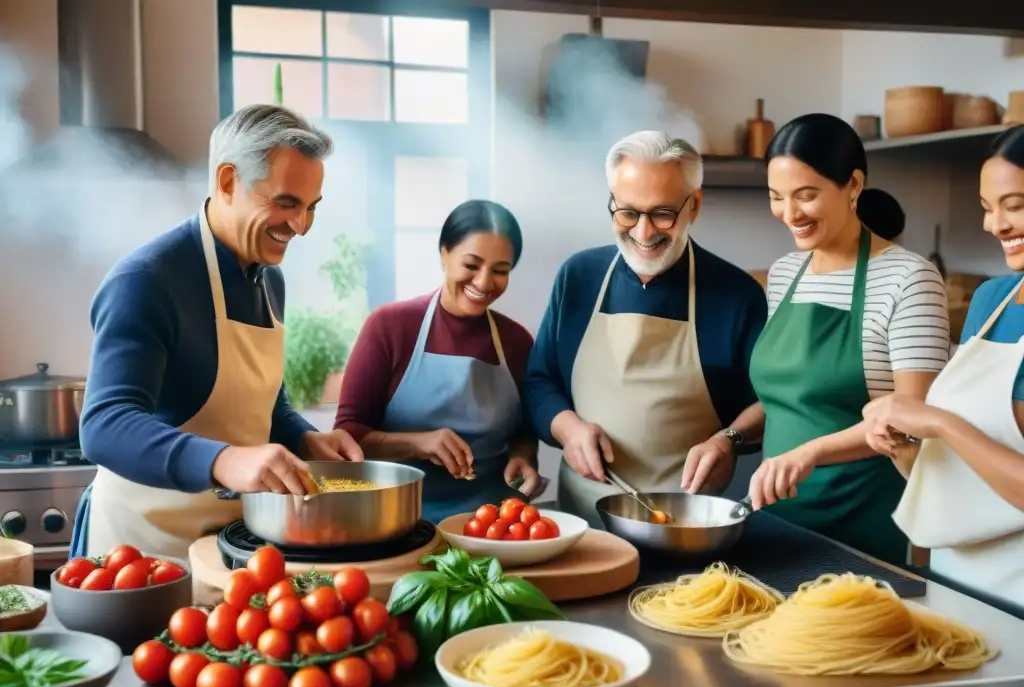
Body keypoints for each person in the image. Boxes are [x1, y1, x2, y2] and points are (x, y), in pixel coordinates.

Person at [71, 104, 363, 560]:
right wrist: (225, 460)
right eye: (286, 203)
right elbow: (104, 425)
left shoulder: (268, 280)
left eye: (310, 208)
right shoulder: (146, 280)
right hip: (142, 553)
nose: (300, 226)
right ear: (228, 182)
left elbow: (263, 405)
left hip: (230, 544)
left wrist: (306, 438)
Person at [687, 113, 950, 566]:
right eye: (776, 197)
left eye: (806, 195)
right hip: (777, 518)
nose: (790, 214)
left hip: (865, 525)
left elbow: (911, 418)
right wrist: (727, 438)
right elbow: (786, 397)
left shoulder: (910, 278)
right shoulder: (787, 272)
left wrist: (809, 453)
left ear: (853, 184)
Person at [524, 130, 767, 527]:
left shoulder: (737, 295)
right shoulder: (578, 277)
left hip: (685, 526)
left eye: (662, 213)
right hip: (580, 526)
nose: (643, 232)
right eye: (628, 213)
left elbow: (772, 402)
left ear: (696, 205)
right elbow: (539, 380)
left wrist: (730, 440)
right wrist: (568, 429)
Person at [864, 124, 1024, 604]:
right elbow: (955, 472)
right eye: (986, 207)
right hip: (955, 582)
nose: (994, 225)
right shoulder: (992, 299)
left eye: (1013, 205)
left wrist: (936, 420)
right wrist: (905, 446)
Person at [334, 200, 539, 522]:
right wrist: (419, 444)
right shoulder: (390, 326)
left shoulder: (517, 341)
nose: (484, 282)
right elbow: (347, 437)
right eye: (471, 265)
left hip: (493, 522)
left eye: (500, 271)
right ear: (444, 254)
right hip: (396, 516)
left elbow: (525, 430)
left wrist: (523, 457)